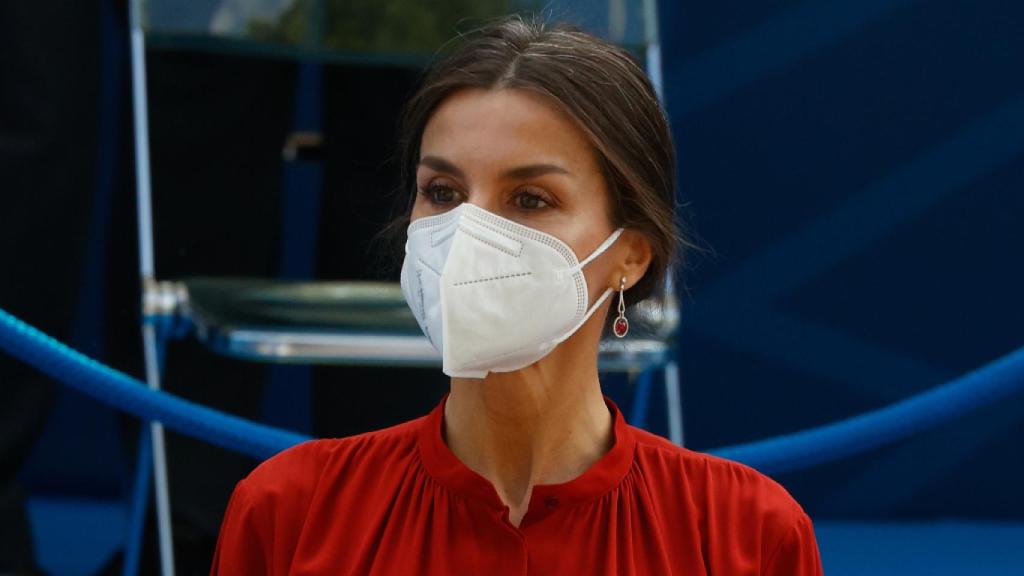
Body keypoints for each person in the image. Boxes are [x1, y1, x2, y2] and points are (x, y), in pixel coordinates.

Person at [211, 16, 822, 575]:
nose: (468, 233)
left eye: (530, 199)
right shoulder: (288, 512)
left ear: (631, 255)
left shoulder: (745, 537)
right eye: (443, 192)